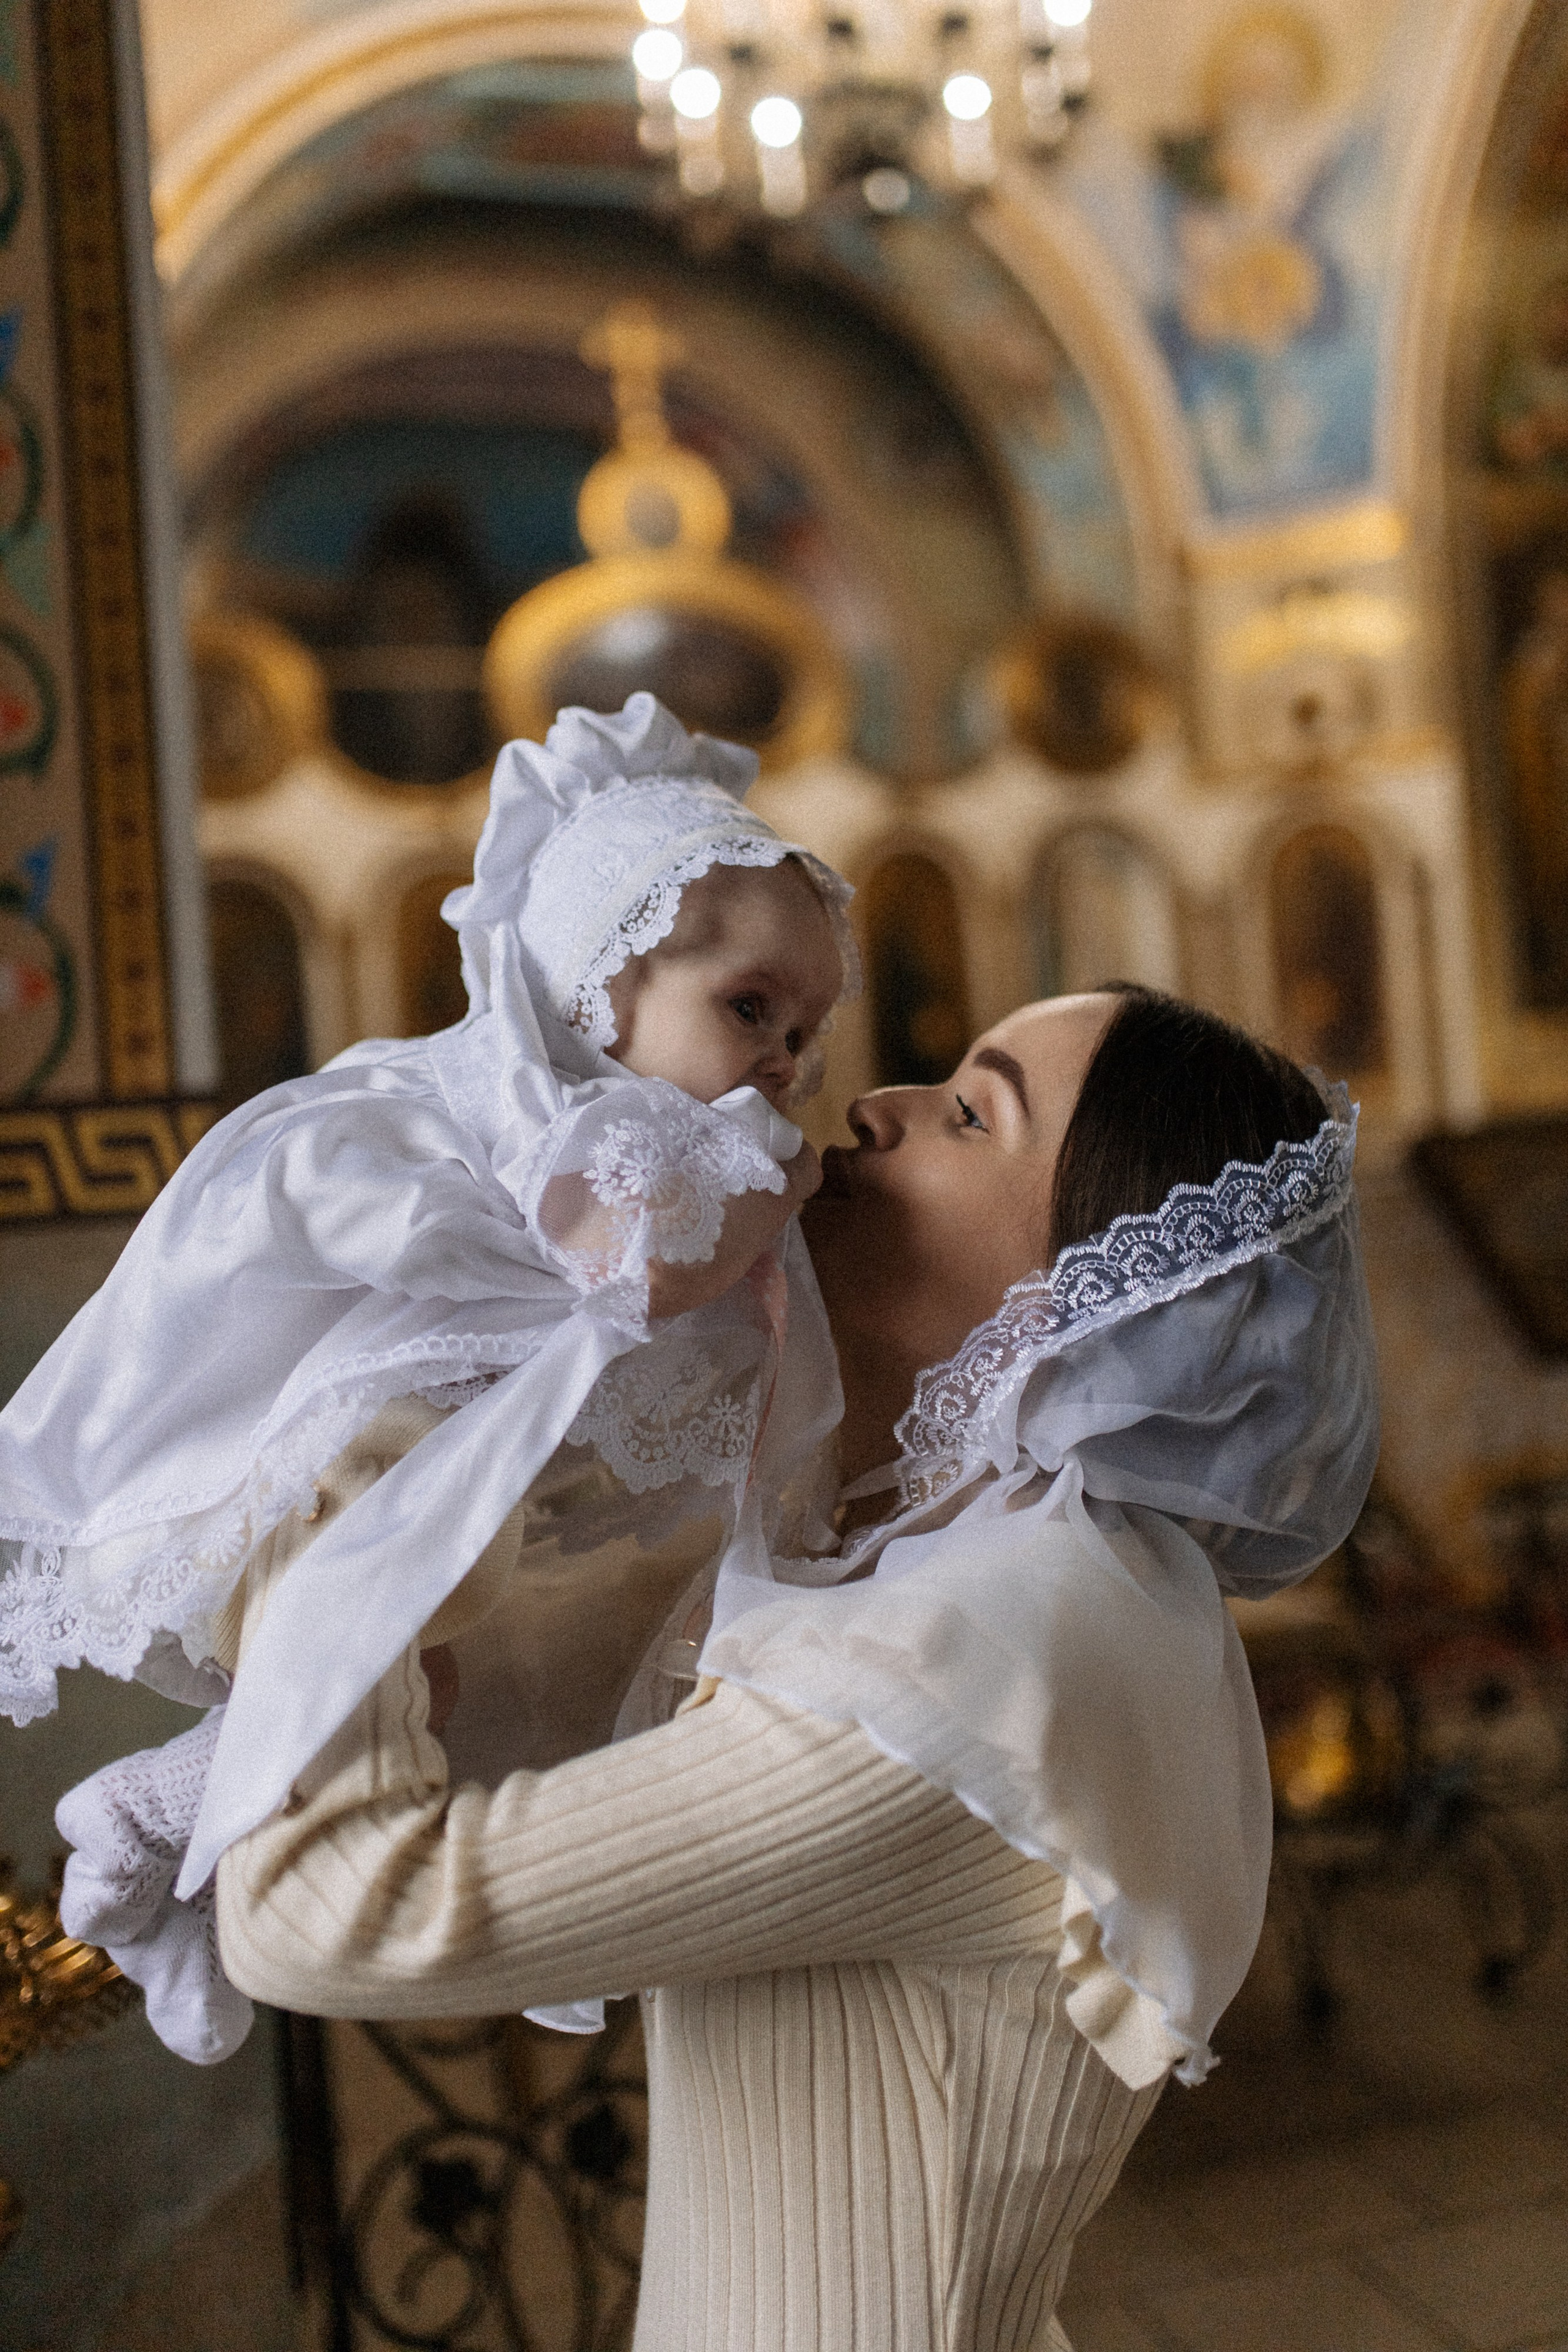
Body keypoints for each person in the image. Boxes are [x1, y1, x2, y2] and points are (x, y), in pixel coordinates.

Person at [207, 984, 1379, 2352]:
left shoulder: (987, 1659)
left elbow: (325, 1911)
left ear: (1101, 1287)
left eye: (963, 1113)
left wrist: (354, 1464)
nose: (873, 1109)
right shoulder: (970, 1567)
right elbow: (522, 1702)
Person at [0, 693, 858, 2060]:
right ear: (600, 986)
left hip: (478, 1474)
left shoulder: (638, 1109)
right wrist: (781, 1188)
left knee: (426, 1698)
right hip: (385, 1454)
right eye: (748, 1007)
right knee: (388, 1647)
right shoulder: (568, 1116)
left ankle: (162, 1827)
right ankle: (189, 1861)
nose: (785, 1061)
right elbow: (635, 1268)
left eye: (805, 1031)